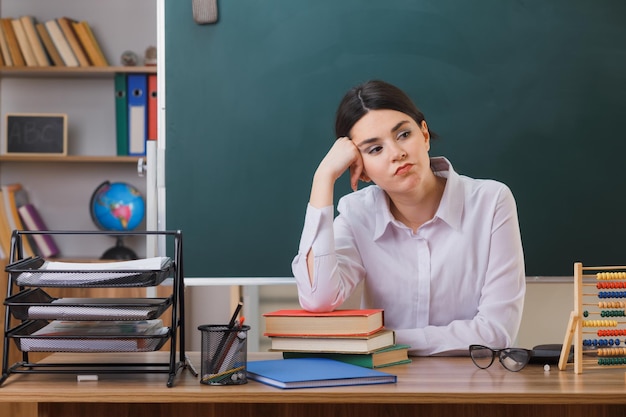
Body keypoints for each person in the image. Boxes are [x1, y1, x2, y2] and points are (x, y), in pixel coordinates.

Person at [291, 80, 526, 356]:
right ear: (362, 171)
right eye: (375, 149)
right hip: (383, 386)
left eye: (403, 134)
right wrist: (323, 178)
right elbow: (318, 298)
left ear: (424, 134)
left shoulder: (491, 202)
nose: (397, 153)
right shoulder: (358, 215)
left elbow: (496, 333)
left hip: (472, 386)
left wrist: (378, 340)